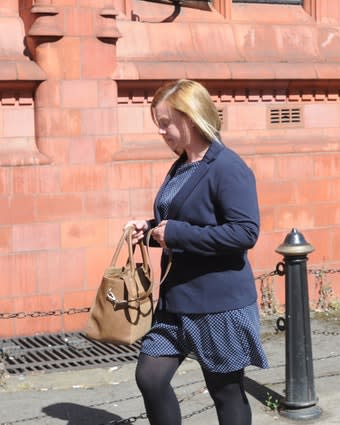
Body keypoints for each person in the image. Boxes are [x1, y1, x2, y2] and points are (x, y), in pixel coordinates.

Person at [126, 79, 268, 425]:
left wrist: (176, 233)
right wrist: (150, 229)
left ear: (189, 119)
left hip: (217, 304)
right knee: (150, 376)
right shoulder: (182, 164)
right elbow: (183, 218)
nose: (161, 132)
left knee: (226, 393)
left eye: (164, 123)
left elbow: (245, 232)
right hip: (176, 301)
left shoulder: (227, 167)